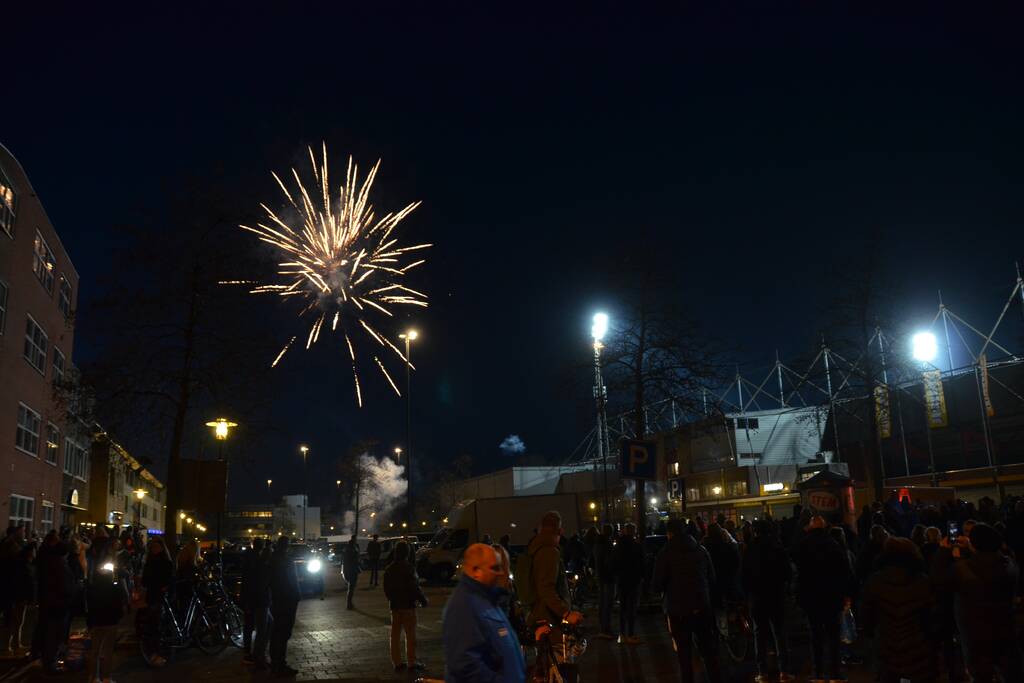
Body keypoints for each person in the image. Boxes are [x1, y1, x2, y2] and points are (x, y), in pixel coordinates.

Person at [934, 522, 1021, 682]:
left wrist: (943, 551)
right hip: (1005, 630)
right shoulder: (1010, 565)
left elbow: (939, 583)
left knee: (980, 676)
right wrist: (972, 548)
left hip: (975, 636)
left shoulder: (961, 570)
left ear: (974, 544)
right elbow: (987, 564)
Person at [441, 543, 525, 683]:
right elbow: (464, 664)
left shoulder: (487, 600)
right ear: (476, 571)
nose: (500, 572)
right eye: (494, 568)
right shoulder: (464, 605)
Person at [653, 518, 721, 683]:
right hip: (702, 606)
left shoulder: (665, 554)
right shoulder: (700, 549)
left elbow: (656, 585)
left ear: (669, 533)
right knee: (708, 651)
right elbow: (712, 578)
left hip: (678, 610)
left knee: (684, 655)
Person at [861, 538, 937, 683]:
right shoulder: (923, 581)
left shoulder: (875, 581)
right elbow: (932, 615)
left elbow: (867, 616)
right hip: (917, 645)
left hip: (886, 644)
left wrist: (872, 633)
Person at [793, 515, 851, 682]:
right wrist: (846, 594)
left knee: (815, 636)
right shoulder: (834, 545)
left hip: (811, 598)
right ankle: (835, 673)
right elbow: (844, 572)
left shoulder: (803, 545)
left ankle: (817, 673)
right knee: (833, 636)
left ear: (810, 527)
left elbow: (797, 570)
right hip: (832, 597)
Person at [742, 519, 793, 682]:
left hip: (757, 597)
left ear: (755, 532)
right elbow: (787, 572)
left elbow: (744, 576)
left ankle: (762, 672)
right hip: (776, 595)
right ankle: (784, 671)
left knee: (760, 634)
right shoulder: (777, 547)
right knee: (779, 633)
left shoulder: (749, 549)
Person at [523, 511, 583, 629]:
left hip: (540, 614)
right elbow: (546, 588)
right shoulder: (549, 551)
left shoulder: (536, 548)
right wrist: (566, 613)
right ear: (560, 530)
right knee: (558, 647)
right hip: (549, 618)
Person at [85, 528, 128, 683]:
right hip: (108, 609)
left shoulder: (90, 558)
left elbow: (90, 584)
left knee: (95, 647)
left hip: (95, 608)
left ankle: (94, 677)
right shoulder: (108, 563)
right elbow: (115, 584)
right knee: (107, 647)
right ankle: (105, 677)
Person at [382, 541, 427, 672]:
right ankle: (411, 662)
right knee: (410, 635)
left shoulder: (390, 569)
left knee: (395, 635)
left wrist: (392, 599)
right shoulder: (409, 568)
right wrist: (422, 599)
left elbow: (386, 589)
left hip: (395, 606)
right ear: (407, 553)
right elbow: (414, 587)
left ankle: (397, 663)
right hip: (408, 605)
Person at [35, 531, 75, 674]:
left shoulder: (52, 563)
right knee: (54, 635)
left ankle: (48, 660)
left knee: (51, 633)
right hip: (58, 605)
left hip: (53, 604)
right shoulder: (60, 566)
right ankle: (50, 663)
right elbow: (64, 587)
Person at [140, 537, 174, 667]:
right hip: (156, 596)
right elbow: (145, 581)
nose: (154, 549)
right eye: (152, 547)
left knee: (156, 624)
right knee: (155, 625)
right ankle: (155, 653)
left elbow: (167, 580)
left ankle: (156, 652)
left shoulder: (161, 562)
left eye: (156, 547)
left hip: (158, 596)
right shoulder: (156, 562)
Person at [269, 536, 300, 676]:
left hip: (276, 600)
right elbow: (291, 580)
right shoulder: (285, 560)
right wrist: (296, 595)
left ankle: (275, 662)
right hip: (286, 600)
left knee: (276, 632)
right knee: (283, 632)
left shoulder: (272, 559)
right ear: (285, 546)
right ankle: (280, 664)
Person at [611, 523, 644, 645]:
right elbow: (642, 563)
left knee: (623, 608)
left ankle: (622, 633)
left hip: (621, 580)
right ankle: (631, 633)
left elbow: (613, 564)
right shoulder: (636, 546)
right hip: (634, 580)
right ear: (633, 532)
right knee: (632, 607)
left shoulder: (618, 546)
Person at [0, 525, 27, 656]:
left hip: (15, 587)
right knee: (11, 618)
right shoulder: (11, 547)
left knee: (16, 618)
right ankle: (7, 645)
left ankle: (16, 643)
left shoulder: (16, 546)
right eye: (22, 532)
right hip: (12, 588)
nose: (24, 534)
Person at [240, 538, 266, 663]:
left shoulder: (248, 557)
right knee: (257, 626)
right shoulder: (257, 559)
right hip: (255, 598)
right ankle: (253, 653)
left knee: (248, 625)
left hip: (249, 597)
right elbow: (255, 581)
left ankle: (248, 652)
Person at [592, 524, 617, 640]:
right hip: (608, 577)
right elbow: (609, 562)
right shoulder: (607, 545)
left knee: (602, 603)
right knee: (608, 603)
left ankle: (602, 627)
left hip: (600, 577)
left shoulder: (597, 544)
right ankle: (606, 628)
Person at [342, 536, 361, 610]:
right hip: (352, 570)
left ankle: (349, 603)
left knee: (351, 587)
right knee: (351, 587)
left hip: (348, 570)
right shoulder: (352, 550)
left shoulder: (346, 549)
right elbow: (355, 560)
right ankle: (349, 604)